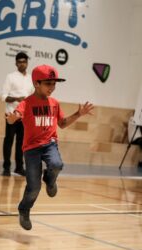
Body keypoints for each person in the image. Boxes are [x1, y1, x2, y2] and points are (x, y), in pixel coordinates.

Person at [6, 64, 94, 230]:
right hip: (31, 149)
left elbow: (62, 124)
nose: (52, 87)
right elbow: (13, 118)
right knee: (34, 187)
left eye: (54, 84)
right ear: (36, 83)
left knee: (57, 164)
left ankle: (50, 178)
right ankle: (24, 209)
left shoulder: (54, 103)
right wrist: (12, 118)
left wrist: (78, 114)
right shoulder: (27, 103)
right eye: (48, 83)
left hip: (49, 144)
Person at [1, 52, 34, 177]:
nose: (22, 64)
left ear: (27, 63)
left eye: (24, 61)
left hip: (24, 116)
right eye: (19, 61)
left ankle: (19, 167)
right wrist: (16, 98)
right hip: (11, 114)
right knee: (8, 141)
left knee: (22, 143)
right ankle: (6, 168)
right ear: (16, 63)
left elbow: (33, 96)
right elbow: (3, 96)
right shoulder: (10, 77)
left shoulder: (31, 78)